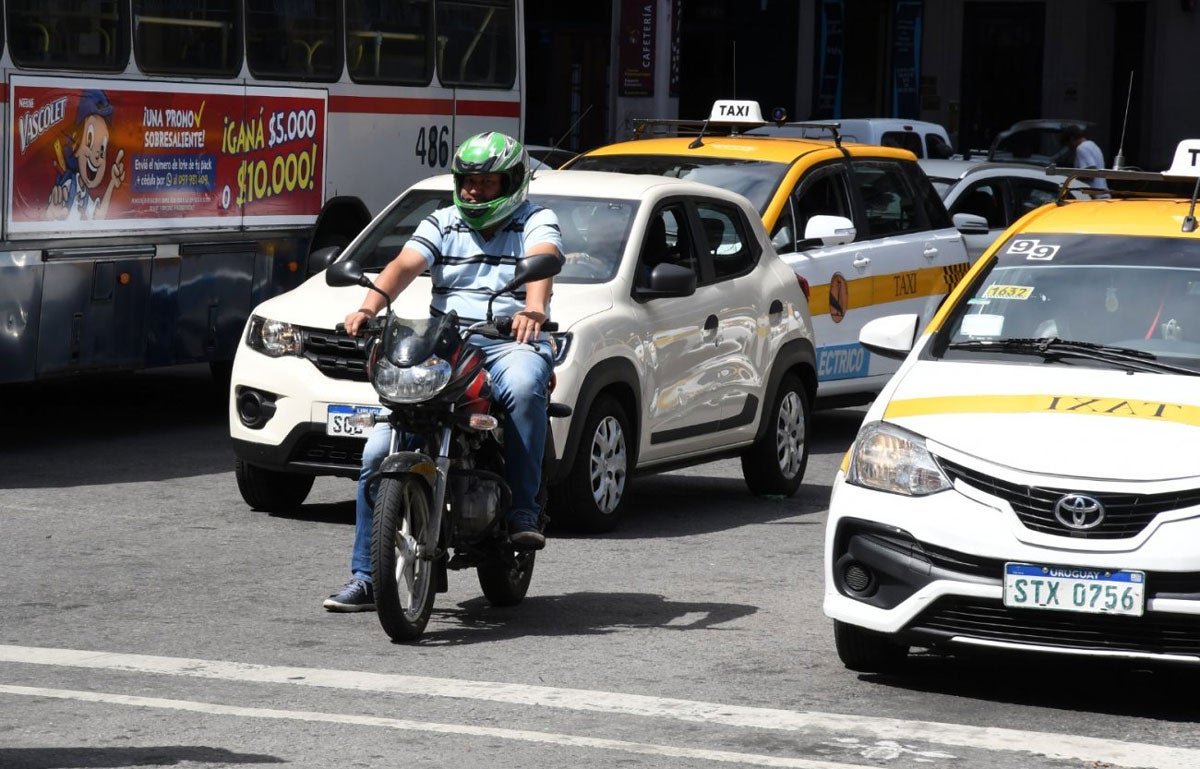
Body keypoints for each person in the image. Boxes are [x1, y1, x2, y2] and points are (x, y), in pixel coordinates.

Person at [323, 132, 564, 612]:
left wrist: (533, 311)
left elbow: (544, 265)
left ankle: (522, 509)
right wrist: (369, 307)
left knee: (522, 384)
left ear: (511, 182)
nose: (473, 192)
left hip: (507, 338)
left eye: (485, 183)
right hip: (448, 341)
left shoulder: (535, 219)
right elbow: (404, 264)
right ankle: (368, 577)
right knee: (376, 451)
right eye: (468, 182)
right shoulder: (443, 221)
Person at [1062, 124, 1109, 194]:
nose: (1069, 148)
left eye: (1068, 144)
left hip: (1094, 195)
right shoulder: (1092, 144)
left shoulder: (1081, 148)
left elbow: (1091, 174)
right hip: (1103, 192)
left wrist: (1070, 177)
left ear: (1071, 139)